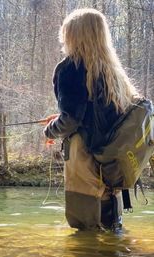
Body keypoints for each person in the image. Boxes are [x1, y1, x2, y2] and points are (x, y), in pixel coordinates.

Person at [43, 8, 139, 231]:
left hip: (84, 152)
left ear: (73, 35)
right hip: (111, 155)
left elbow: (72, 120)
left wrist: (49, 130)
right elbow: (93, 111)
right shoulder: (112, 72)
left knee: (85, 226)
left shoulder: (70, 67)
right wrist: (60, 118)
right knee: (111, 223)